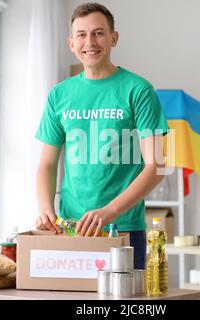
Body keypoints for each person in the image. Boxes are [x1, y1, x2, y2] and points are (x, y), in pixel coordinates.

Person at [34, 2, 168, 269]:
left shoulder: (140, 90)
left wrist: (108, 213)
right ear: (71, 43)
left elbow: (158, 166)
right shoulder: (58, 95)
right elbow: (47, 164)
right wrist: (46, 209)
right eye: (81, 35)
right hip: (71, 229)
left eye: (98, 33)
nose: (90, 42)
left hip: (124, 229)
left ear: (113, 38)